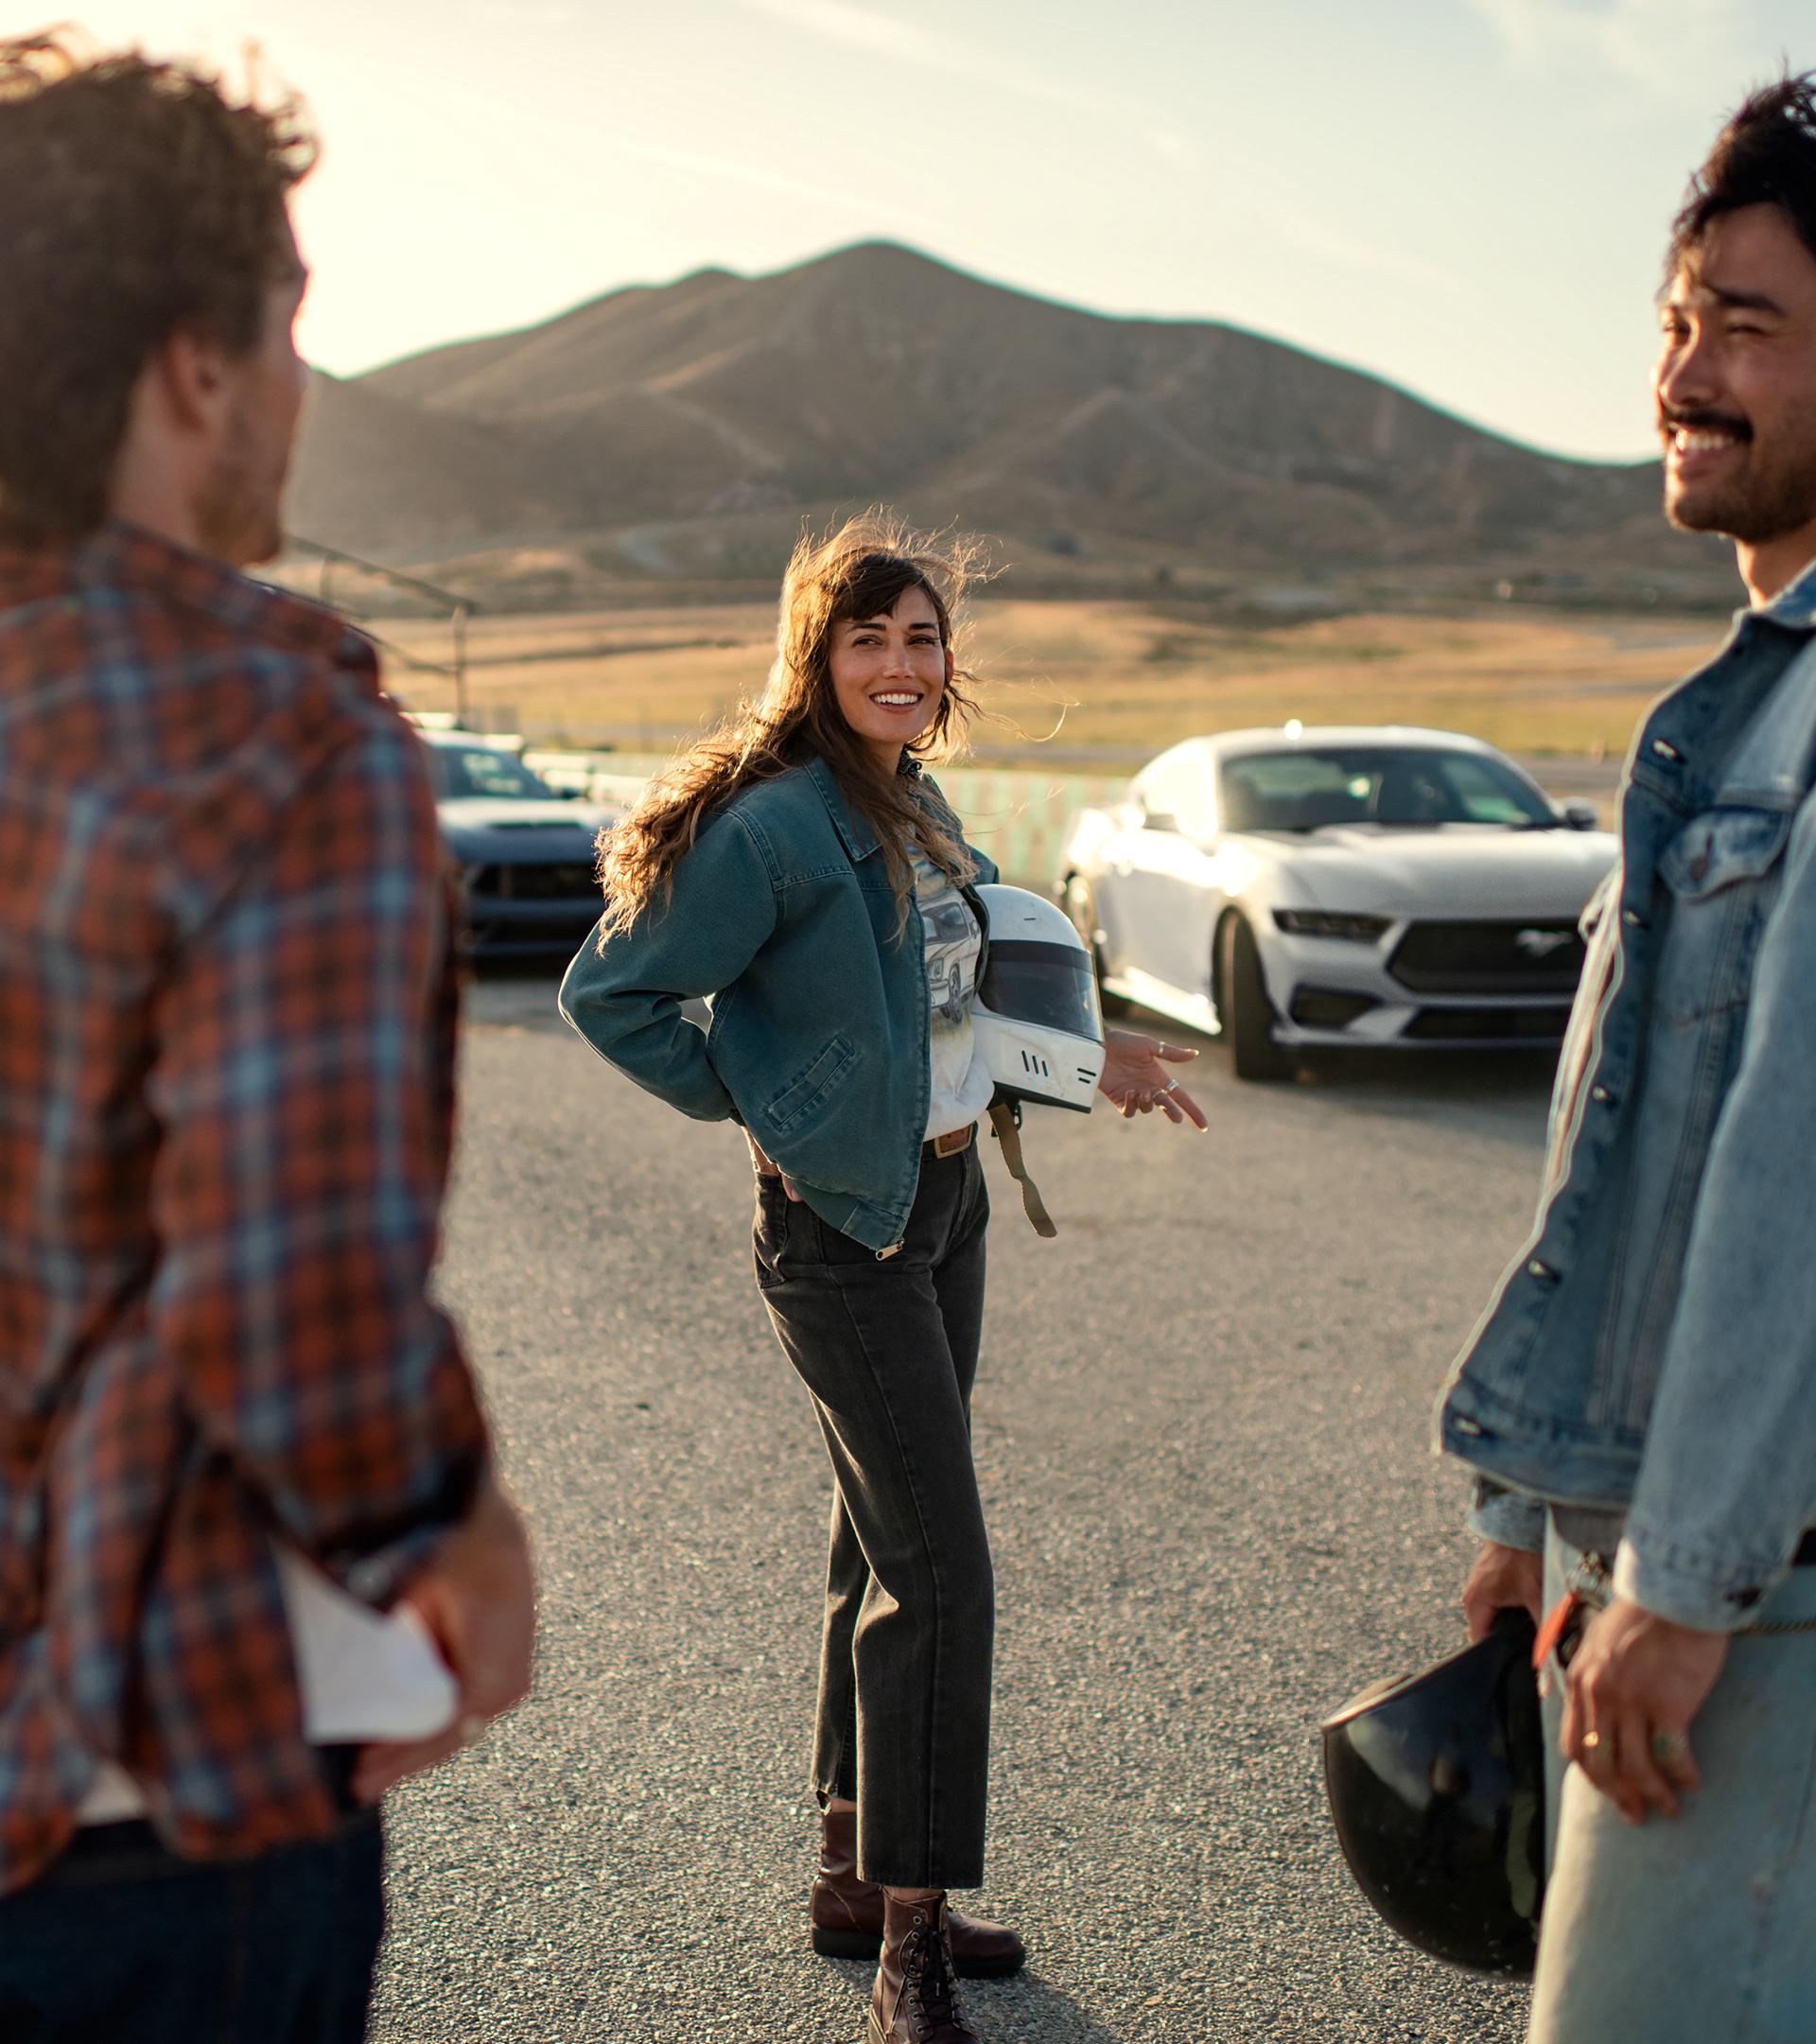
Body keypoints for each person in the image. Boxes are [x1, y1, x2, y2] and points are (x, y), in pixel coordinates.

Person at [0, 38, 535, 2043]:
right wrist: (456, 1533)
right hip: (147, 1829)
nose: (304, 382)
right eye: (292, 326)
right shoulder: (279, 738)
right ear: (192, 366)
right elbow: (300, 1318)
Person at [560, 515, 1205, 2044]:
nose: (904, 665)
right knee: (944, 1570)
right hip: (843, 1232)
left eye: (922, 639)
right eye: (872, 641)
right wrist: (765, 1109)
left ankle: (855, 1875)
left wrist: (1089, 1055)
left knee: (882, 1538)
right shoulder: (780, 825)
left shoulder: (916, 809)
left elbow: (962, 1000)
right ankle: (910, 1949)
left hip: (944, 1203)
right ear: (818, 658)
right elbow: (614, 989)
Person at [1437, 73, 1816, 2044]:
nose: (1686, 370)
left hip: (1760, 1605)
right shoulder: (1726, 727)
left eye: (1746, 326)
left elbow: (1797, 1163)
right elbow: (1624, 1136)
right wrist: (1521, 1510)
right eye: (1678, 321)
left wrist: (1685, 1580)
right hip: (1690, 1564)